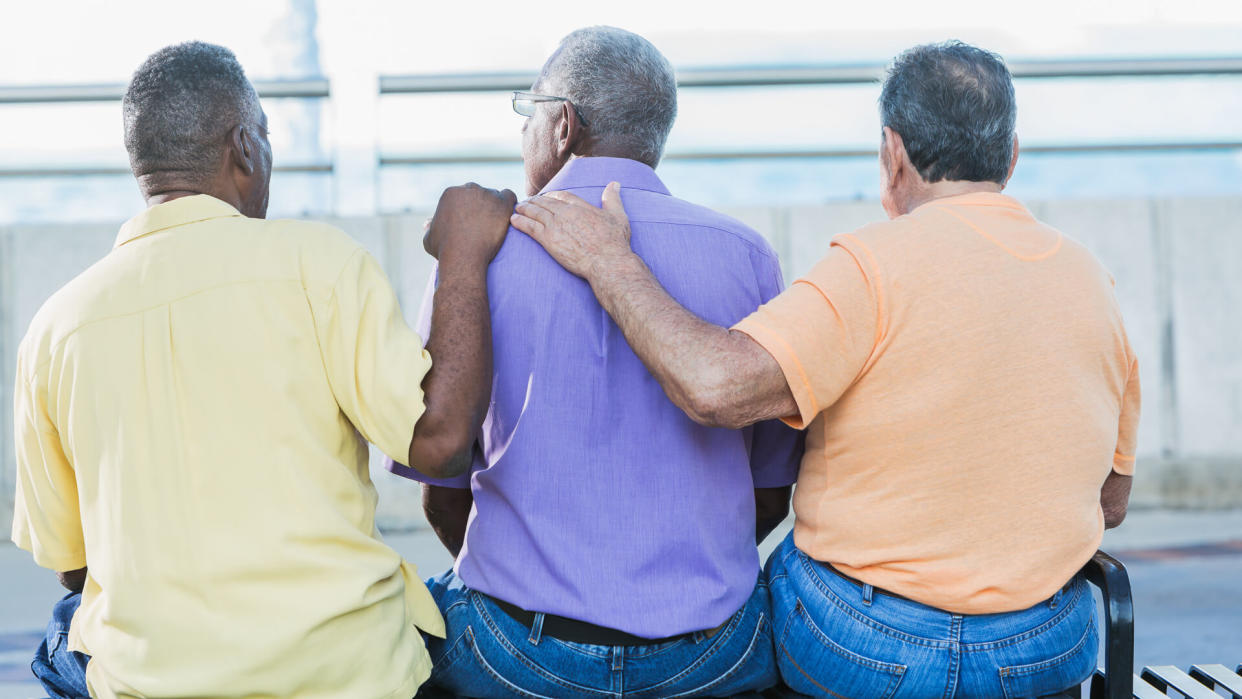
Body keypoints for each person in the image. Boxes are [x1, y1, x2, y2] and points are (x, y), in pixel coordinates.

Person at [508, 41, 1139, 698]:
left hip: (868, 649)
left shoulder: (870, 267)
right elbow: (1111, 502)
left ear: (892, 152)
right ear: (1010, 156)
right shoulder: (1095, 282)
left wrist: (611, 263)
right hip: (1041, 647)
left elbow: (715, 386)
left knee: (763, 588)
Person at [12, 41, 515, 699]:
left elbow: (71, 566)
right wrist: (463, 255)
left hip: (155, 681)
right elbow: (441, 443)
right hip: (347, 672)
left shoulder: (56, 327)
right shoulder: (319, 263)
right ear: (246, 146)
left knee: (65, 631)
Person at [390, 26, 802, 698]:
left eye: (529, 113)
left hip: (517, 653)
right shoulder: (748, 254)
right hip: (709, 656)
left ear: (562, 125)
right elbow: (769, 488)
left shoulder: (479, 253)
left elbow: (440, 490)